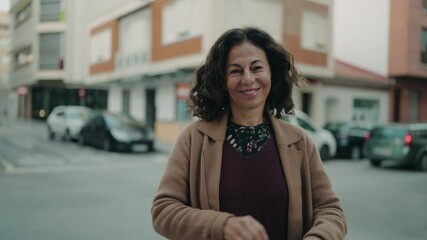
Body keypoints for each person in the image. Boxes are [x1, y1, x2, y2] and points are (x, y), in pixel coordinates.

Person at [151, 27, 347, 240]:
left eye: (257, 68)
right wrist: (222, 226)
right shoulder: (193, 138)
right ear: (223, 81)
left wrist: (318, 237)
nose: (248, 78)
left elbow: (330, 211)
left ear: (271, 73)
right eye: (235, 71)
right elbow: (163, 210)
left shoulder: (300, 142)